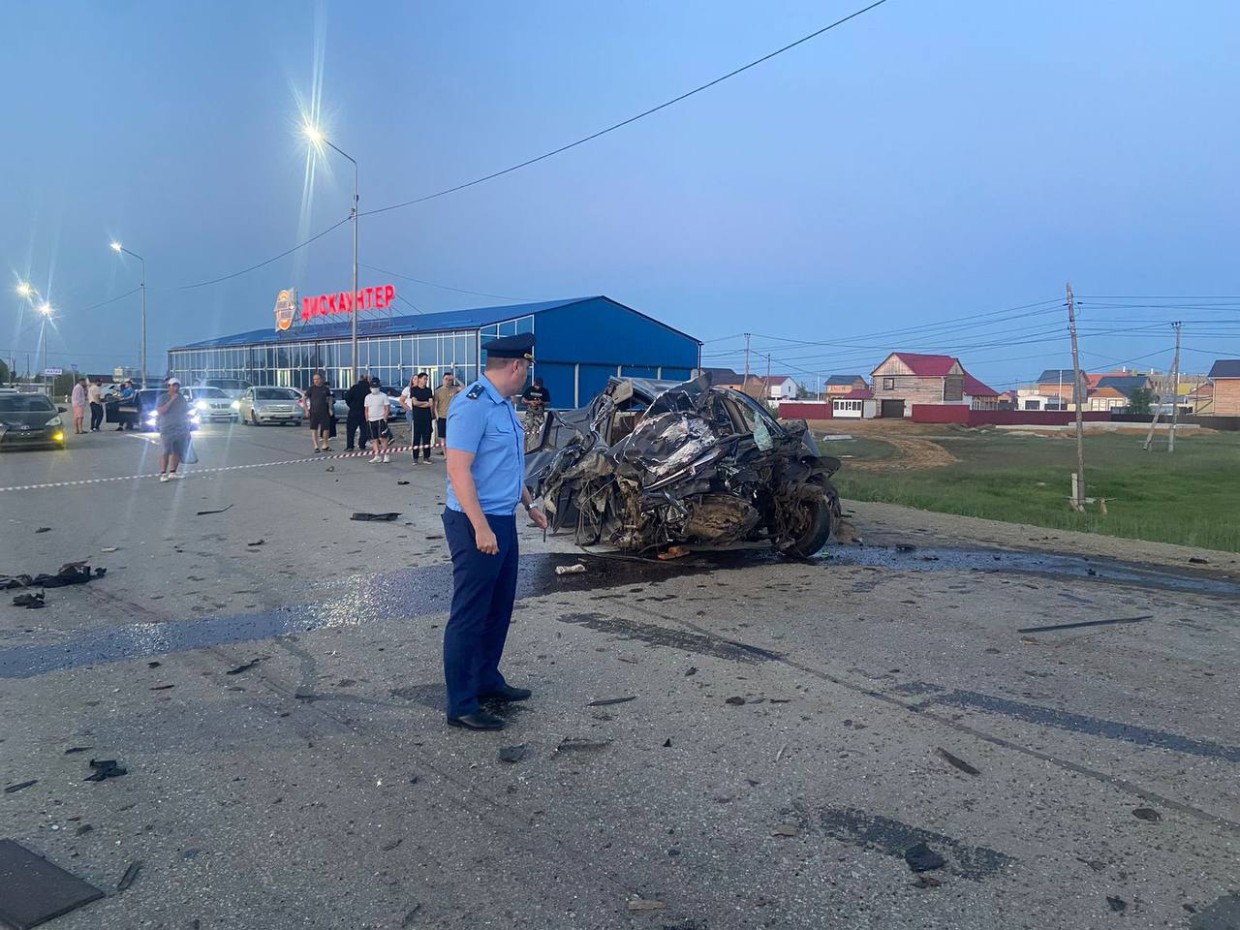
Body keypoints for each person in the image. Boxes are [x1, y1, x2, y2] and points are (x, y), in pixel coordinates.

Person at [441, 333, 548, 731]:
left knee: (498, 608)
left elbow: (509, 466)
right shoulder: (471, 406)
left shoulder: (505, 407)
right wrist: (481, 526)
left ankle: (486, 680)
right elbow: (458, 470)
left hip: (502, 519)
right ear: (516, 366)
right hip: (476, 522)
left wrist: (529, 504)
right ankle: (461, 703)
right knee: (470, 614)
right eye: (527, 369)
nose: (527, 377)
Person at [156, 378, 191, 481]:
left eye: (177, 386)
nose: (175, 388)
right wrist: (172, 400)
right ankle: (163, 473)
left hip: (180, 428)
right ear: (169, 386)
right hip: (167, 428)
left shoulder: (182, 398)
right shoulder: (162, 398)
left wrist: (187, 429)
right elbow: (161, 411)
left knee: (177, 451)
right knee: (165, 451)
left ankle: (173, 472)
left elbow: (185, 414)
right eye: (173, 385)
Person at [407, 372, 434, 464]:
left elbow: (430, 403)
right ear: (419, 379)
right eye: (424, 379)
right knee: (416, 438)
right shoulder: (414, 390)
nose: (426, 380)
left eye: (427, 379)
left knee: (427, 437)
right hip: (417, 417)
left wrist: (422, 403)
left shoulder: (428, 390)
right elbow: (415, 403)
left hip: (427, 417)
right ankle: (415, 458)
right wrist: (424, 404)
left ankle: (426, 457)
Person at [432, 371, 461, 454]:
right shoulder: (438, 391)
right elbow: (435, 405)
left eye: (449, 380)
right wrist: (437, 416)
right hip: (442, 417)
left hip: (452, 417)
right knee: (443, 437)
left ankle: (451, 453)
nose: (448, 381)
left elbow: (464, 388)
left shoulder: (454, 389)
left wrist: (456, 379)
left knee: (452, 437)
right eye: (446, 379)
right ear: (442, 380)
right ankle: (445, 455)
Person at [304, 372, 333, 453]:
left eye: (317, 379)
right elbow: (304, 399)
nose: (316, 381)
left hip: (324, 412)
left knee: (326, 429)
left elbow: (330, 398)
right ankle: (316, 446)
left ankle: (325, 445)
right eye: (314, 379)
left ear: (321, 379)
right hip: (313, 412)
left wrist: (330, 408)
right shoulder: (311, 388)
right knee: (314, 429)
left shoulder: (325, 389)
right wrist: (306, 410)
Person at [364, 377, 391, 464]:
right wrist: (367, 419)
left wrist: (385, 418)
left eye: (376, 387)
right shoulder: (367, 397)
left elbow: (387, 408)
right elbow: (366, 409)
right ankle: (377, 456)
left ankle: (386, 455)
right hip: (371, 420)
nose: (374, 389)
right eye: (372, 387)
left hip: (380, 419)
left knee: (383, 438)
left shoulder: (383, 396)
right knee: (374, 439)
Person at [344, 374, 371, 452]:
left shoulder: (354, 387)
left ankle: (350, 446)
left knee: (350, 430)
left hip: (353, 411)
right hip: (365, 411)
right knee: (365, 429)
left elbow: (347, 397)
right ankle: (362, 444)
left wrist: (351, 405)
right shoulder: (368, 389)